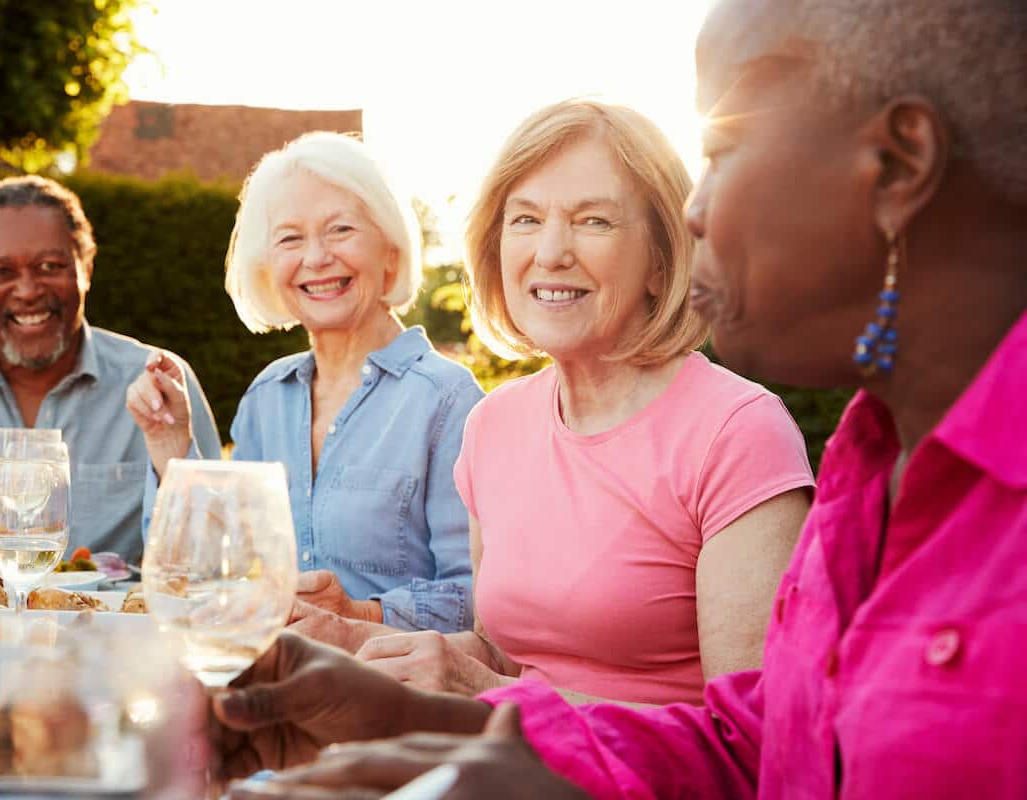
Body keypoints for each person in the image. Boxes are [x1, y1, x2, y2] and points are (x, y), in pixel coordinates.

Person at [203, 0, 1027, 796]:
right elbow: (761, 754)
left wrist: (461, 707)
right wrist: (403, 711)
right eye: (525, 220)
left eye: (724, 152)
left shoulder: (748, 430)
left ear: (898, 163)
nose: (697, 211)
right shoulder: (871, 459)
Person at [353, 99, 813, 707]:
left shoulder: (738, 432)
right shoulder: (493, 424)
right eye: (524, 219)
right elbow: (510, 659)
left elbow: (753, 739)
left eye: (593, 221)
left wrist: (493, 693)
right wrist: (349, 641)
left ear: (662, 259)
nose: (550, 252)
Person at [127, 132, 483, 636]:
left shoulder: (449, 400)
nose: (315, 258)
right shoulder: (266, 397)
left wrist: (360, 615)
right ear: (268, 267)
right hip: (269, 681)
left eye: (340, 230)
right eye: (290, 238)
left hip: (390, 694)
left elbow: (483, 601)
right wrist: (170, 447)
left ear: (390, 250)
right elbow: (209, 573)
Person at [0, 175, 220, 567]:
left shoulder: (159, 383)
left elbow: (213, 558)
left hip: (102, 628)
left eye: (49, 266)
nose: (27, 290)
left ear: (86, 268)